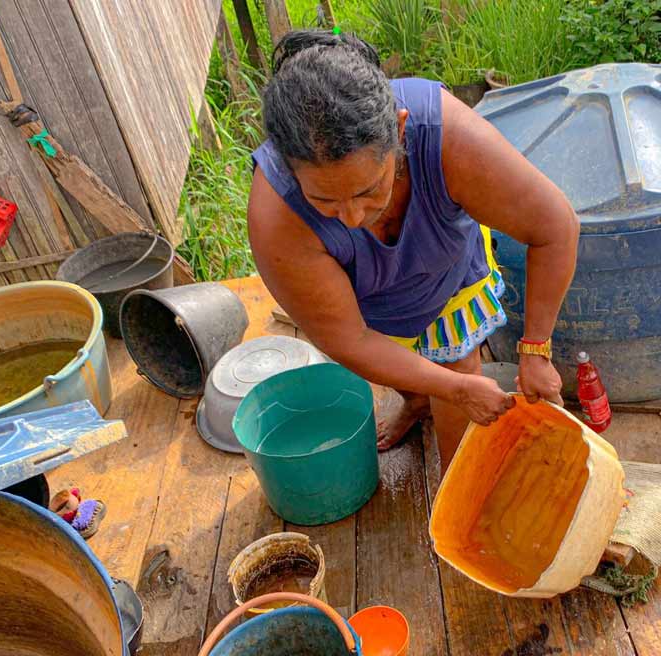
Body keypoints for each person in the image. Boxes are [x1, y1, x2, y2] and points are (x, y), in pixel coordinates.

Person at [247, 30, 579, 471]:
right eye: (325, 201)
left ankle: (447, 428)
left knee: (460, 426)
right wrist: (446, 389)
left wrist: (535, 350)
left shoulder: (447, 137)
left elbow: (556, 226)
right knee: (412, 373)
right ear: (290, 169)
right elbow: (351, 339)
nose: (350, 218)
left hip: (445, 275)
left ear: (401, 130)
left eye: (369, 190)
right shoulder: (276, 216)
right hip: (368, 304)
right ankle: (416, 402)